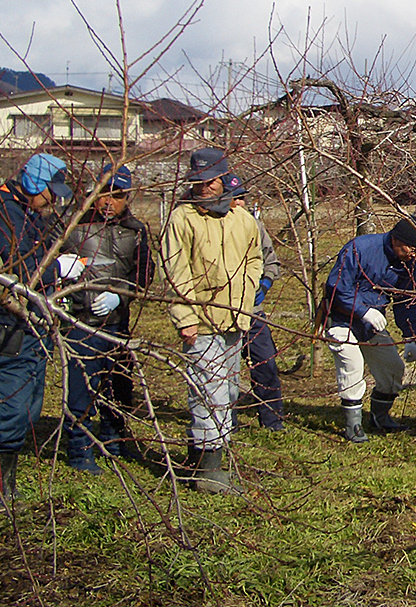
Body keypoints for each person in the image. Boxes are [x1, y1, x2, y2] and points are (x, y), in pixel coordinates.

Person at [163, 148, 262, 494]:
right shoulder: (182, 218)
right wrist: (186, 318)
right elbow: (176, 273)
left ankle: (198, 457)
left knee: (229, 391)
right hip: (200, 322)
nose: (204, 187)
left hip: (236, 318)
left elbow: (254, 260)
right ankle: (209, 471)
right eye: (199, 182)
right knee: (210, 394)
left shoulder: (243, 219)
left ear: (222, 179)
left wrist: (246, 297)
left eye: (210, 181)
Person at [0, 153, 71, 513]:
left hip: (30, 322)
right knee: (11, 404)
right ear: (34, 185)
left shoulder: (27, 214)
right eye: (50, 192)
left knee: (29, 407)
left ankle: (5, 485)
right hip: (5, 323)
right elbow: (17, 263)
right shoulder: (0, 213)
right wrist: (56, 270)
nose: (54, 199)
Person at [61, 164, 153, 471]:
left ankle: (114, 441)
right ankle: (80, 449)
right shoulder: (72, 226)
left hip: (116, 322)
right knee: (81, 388)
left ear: (127, 198)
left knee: (118, 385)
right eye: (104, 194)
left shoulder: (135, 230)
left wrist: (122, 293)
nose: (109, 202)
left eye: (117, 195)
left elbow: (143, 273)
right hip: (80, 322)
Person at [322, 218, 416, 442]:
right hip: (341, 319)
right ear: (397, 240)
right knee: (352, 366)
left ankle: (380, 417)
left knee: (393, 368)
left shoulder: (407, 262)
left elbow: (406, 299)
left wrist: (410, 337)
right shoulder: (359, 249)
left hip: (371, 324)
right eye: (410, 249)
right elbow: (337, 288)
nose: (412, 255)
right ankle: (353, 426)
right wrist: (362, 311)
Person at [224, 173, 285, 432]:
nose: (239, 203)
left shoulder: (254, 226)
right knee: (228, 373)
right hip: (225, 313)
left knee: (266, 364)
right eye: (233, 198)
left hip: (255, 313)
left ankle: (272, 421)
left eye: (242, 198)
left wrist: (266, 283)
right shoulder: (215, 227)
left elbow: (272, 262)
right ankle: (228, 422)